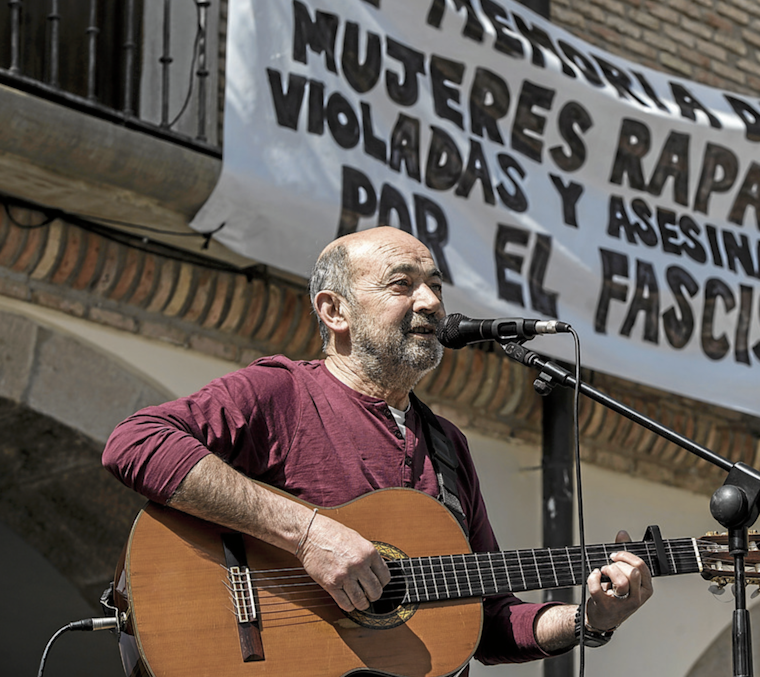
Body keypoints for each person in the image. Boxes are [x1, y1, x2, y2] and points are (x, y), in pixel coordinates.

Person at [102, 225, 652, 669]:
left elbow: (486, 620)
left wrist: (590, 619)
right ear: (334, 311)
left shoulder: (447, 446)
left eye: (435, 285)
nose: (431, 302)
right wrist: (310, 534)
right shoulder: (282, 392)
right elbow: (136, 442)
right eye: (401, 284)